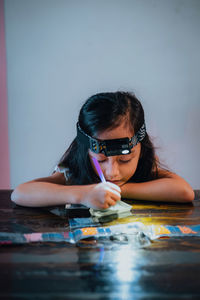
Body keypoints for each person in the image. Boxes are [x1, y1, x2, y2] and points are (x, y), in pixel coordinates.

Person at [11, 91, 194, 208]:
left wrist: (120, 189)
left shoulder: (143, 166)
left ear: (141, 148)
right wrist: (83, 194)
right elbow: (20, 193)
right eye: (100, 160)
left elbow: (185, 192)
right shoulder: (75, 173)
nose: (112, 172)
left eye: (125, 160)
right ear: (85, 151)